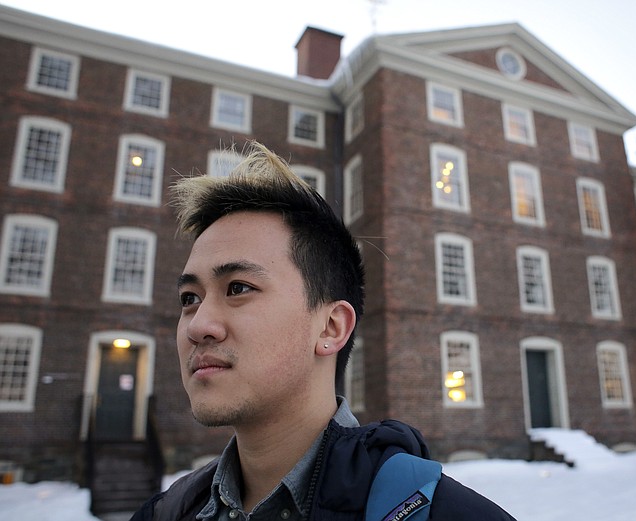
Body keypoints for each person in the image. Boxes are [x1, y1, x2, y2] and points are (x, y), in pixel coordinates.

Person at [131, 142, 516, 521]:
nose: (198, 326)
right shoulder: (165, 512)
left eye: (238, 288)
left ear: (331, 327)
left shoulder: (445, 514)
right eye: (189, 298)